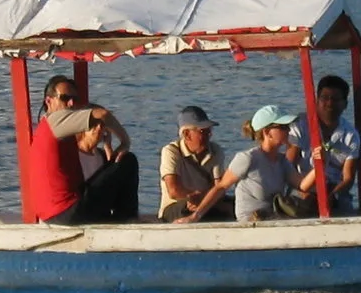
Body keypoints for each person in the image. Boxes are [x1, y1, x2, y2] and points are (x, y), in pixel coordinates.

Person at [21, 71, 141, 223]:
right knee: (128, 160)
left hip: (52, 214)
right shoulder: (55, 121)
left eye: (74, 99)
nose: (71, 103)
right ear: (49, 101)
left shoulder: (47, 128)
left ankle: (116, 217)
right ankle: (127, 219)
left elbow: (95, 112)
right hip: (67, 211)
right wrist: (125, 141)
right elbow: (103, 114)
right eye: (65, 98)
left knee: (112, 169)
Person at [179, 104, 301, 223]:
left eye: (288, 126)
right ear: (267, 132)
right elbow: (221, 187)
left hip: (271, 218)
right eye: (283, 127)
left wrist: (319, 162)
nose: (289, 130)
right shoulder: (247, 158)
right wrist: (195, 216)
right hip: (250, 221)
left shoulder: (282, 160)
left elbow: (303, 185)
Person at [285, 74, 361, 215]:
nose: (329, 103)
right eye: (325, 98)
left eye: (335, 99)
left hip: (334, 190)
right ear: (317, 100)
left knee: (345, 208)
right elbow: (288, 165)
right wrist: (303, 190)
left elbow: (348, 178)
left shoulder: (350, 135)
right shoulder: (300, 125)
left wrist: (330, 195)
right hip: (302, 186)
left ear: (345, 104)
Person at [157, 105, 226, 222]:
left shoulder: (216, 151)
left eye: (209, 130)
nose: (209, 135)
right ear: (187, 134)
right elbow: (173, 191)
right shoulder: (171, 151)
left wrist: (203, 200)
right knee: (186, 209)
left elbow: (219, 187)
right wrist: (193, 197)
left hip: (206, 203)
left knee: (235, 206)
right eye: (203, 131)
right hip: (176, 206)